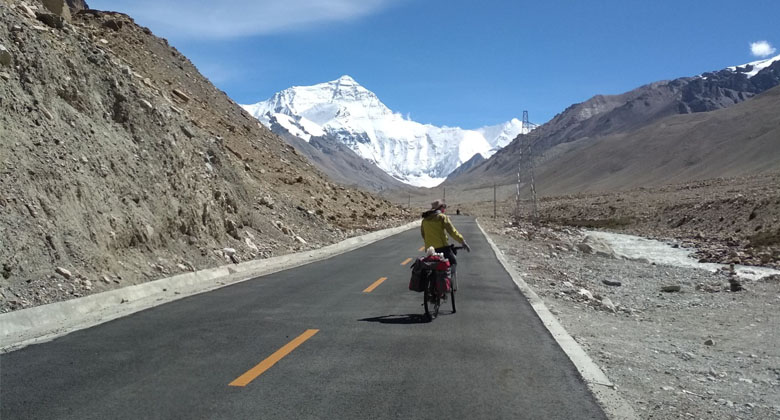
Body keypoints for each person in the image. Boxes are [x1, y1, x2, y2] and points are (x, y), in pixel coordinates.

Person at [420, 199, 470, 291]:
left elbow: (423, 234)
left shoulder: (425, 220)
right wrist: (463, 242)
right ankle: (450, 284)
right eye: (444, 207)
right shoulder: (442, 217)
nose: (444, 209)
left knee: (430, 267)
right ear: (441, 208)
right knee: (453, 262)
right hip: (442, 249)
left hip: (429, 250)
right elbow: (452, 232)